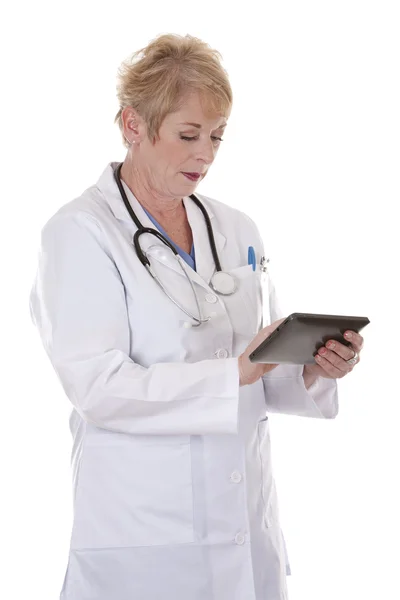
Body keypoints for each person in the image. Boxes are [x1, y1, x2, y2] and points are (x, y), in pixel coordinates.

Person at [29, 33, 364, 600]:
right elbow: (97, 386)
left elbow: (263, 367)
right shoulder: (81, 233)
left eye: (217, 136)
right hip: (143, 534)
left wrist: (313, 367)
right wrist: (233, 371)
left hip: (244, 520)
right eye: (188, 135)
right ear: (133, 125)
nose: (205, 154)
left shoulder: (236, 228)